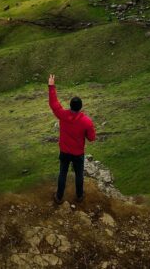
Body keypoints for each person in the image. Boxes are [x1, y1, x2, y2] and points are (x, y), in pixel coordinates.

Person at [48, 74, 96, 204]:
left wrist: (51, 86)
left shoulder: (63, 115)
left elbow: (54, 104)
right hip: (78, 153)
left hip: (64, 151)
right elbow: (92, 138)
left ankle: (58, 197)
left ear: (70, 106)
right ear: (80, 107)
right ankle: (79, 196)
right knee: (79, 175)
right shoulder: (86, 121)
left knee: (62, 173)